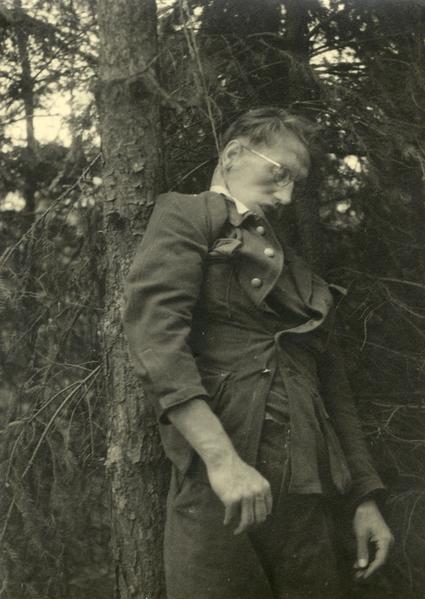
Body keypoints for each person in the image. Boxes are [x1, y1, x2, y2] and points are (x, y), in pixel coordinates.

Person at [122, 107, 394, 599]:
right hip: (223, 484)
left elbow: (331, 386)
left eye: (296, 184)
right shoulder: (188, 215)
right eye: (280, 174)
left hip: (309, 494)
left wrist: (363, 497)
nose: (286, 197)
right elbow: (156, 342)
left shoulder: (296, 267)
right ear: (232, 155)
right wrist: (222, 462)